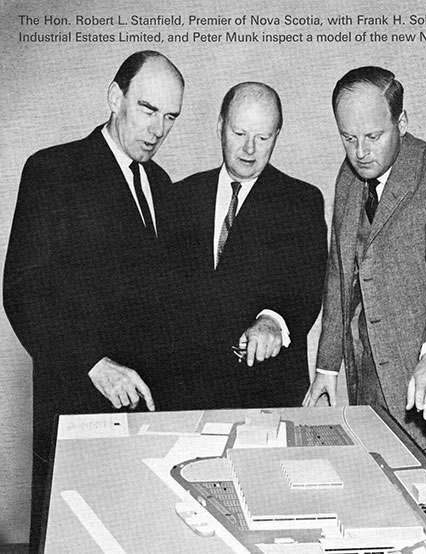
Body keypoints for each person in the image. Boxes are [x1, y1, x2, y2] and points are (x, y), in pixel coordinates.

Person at [3, 50, 185, 550]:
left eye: (170, 117)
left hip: (145, 414)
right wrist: (94, 364)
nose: (158, 130)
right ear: (115, 97)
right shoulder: (52, 170)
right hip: (75, 405)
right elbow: (22, 291)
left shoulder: (162, 185)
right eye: (148, 110)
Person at [303, 66, 426, 501]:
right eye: (348, 137)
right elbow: (342, 270)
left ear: (402, 122)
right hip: (373, 387)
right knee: (383, 511)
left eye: (373, 136)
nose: (360, 152)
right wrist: (326, 367)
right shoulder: (349, 178)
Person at [170, 82, 327, 409]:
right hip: (186, 395)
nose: (249, 150)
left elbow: (307, 287)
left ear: (277, 135)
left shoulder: (301, 201)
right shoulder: (178, 197)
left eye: (263, 138)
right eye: (240, 133)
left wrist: (274, 319)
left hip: (267, 393)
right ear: (220, 126)